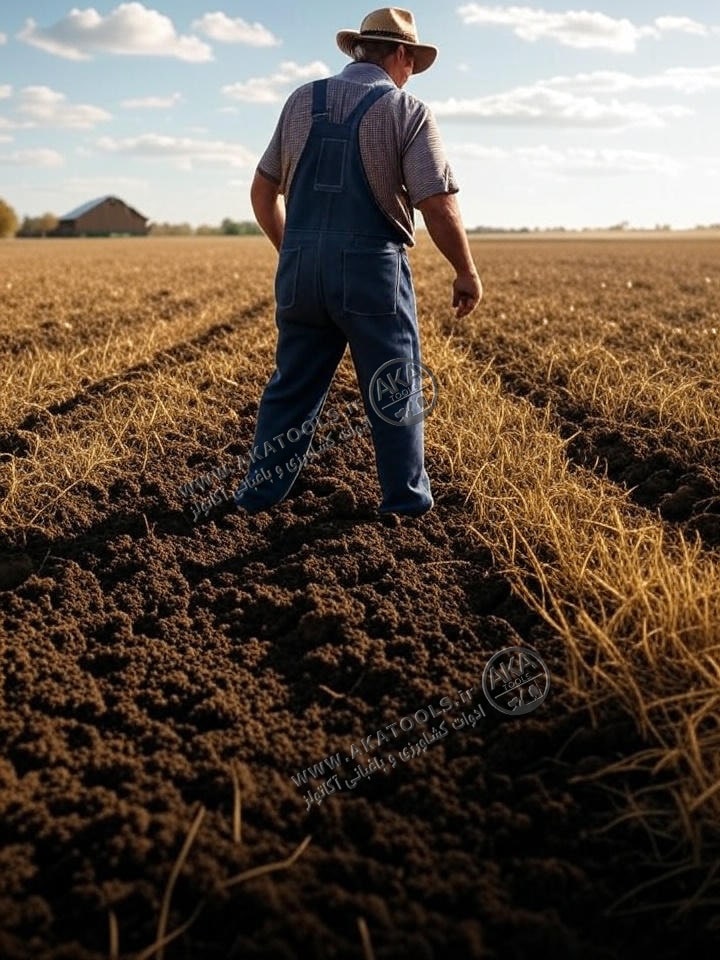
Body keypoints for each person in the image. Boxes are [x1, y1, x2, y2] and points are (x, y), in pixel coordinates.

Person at [234, 7, 482, 519]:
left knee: (291, 388)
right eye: (411, 63)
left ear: (358, 51)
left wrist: (292, 250)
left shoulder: (301, 101)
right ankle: (405, 505)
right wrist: (466, 270)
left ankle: (256, 499)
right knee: (395, 386)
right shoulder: (407, 110)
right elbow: (437, 204)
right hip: (372, 272)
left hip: (301, 269)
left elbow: (262, 191)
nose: (410, 73)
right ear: (401, 54)